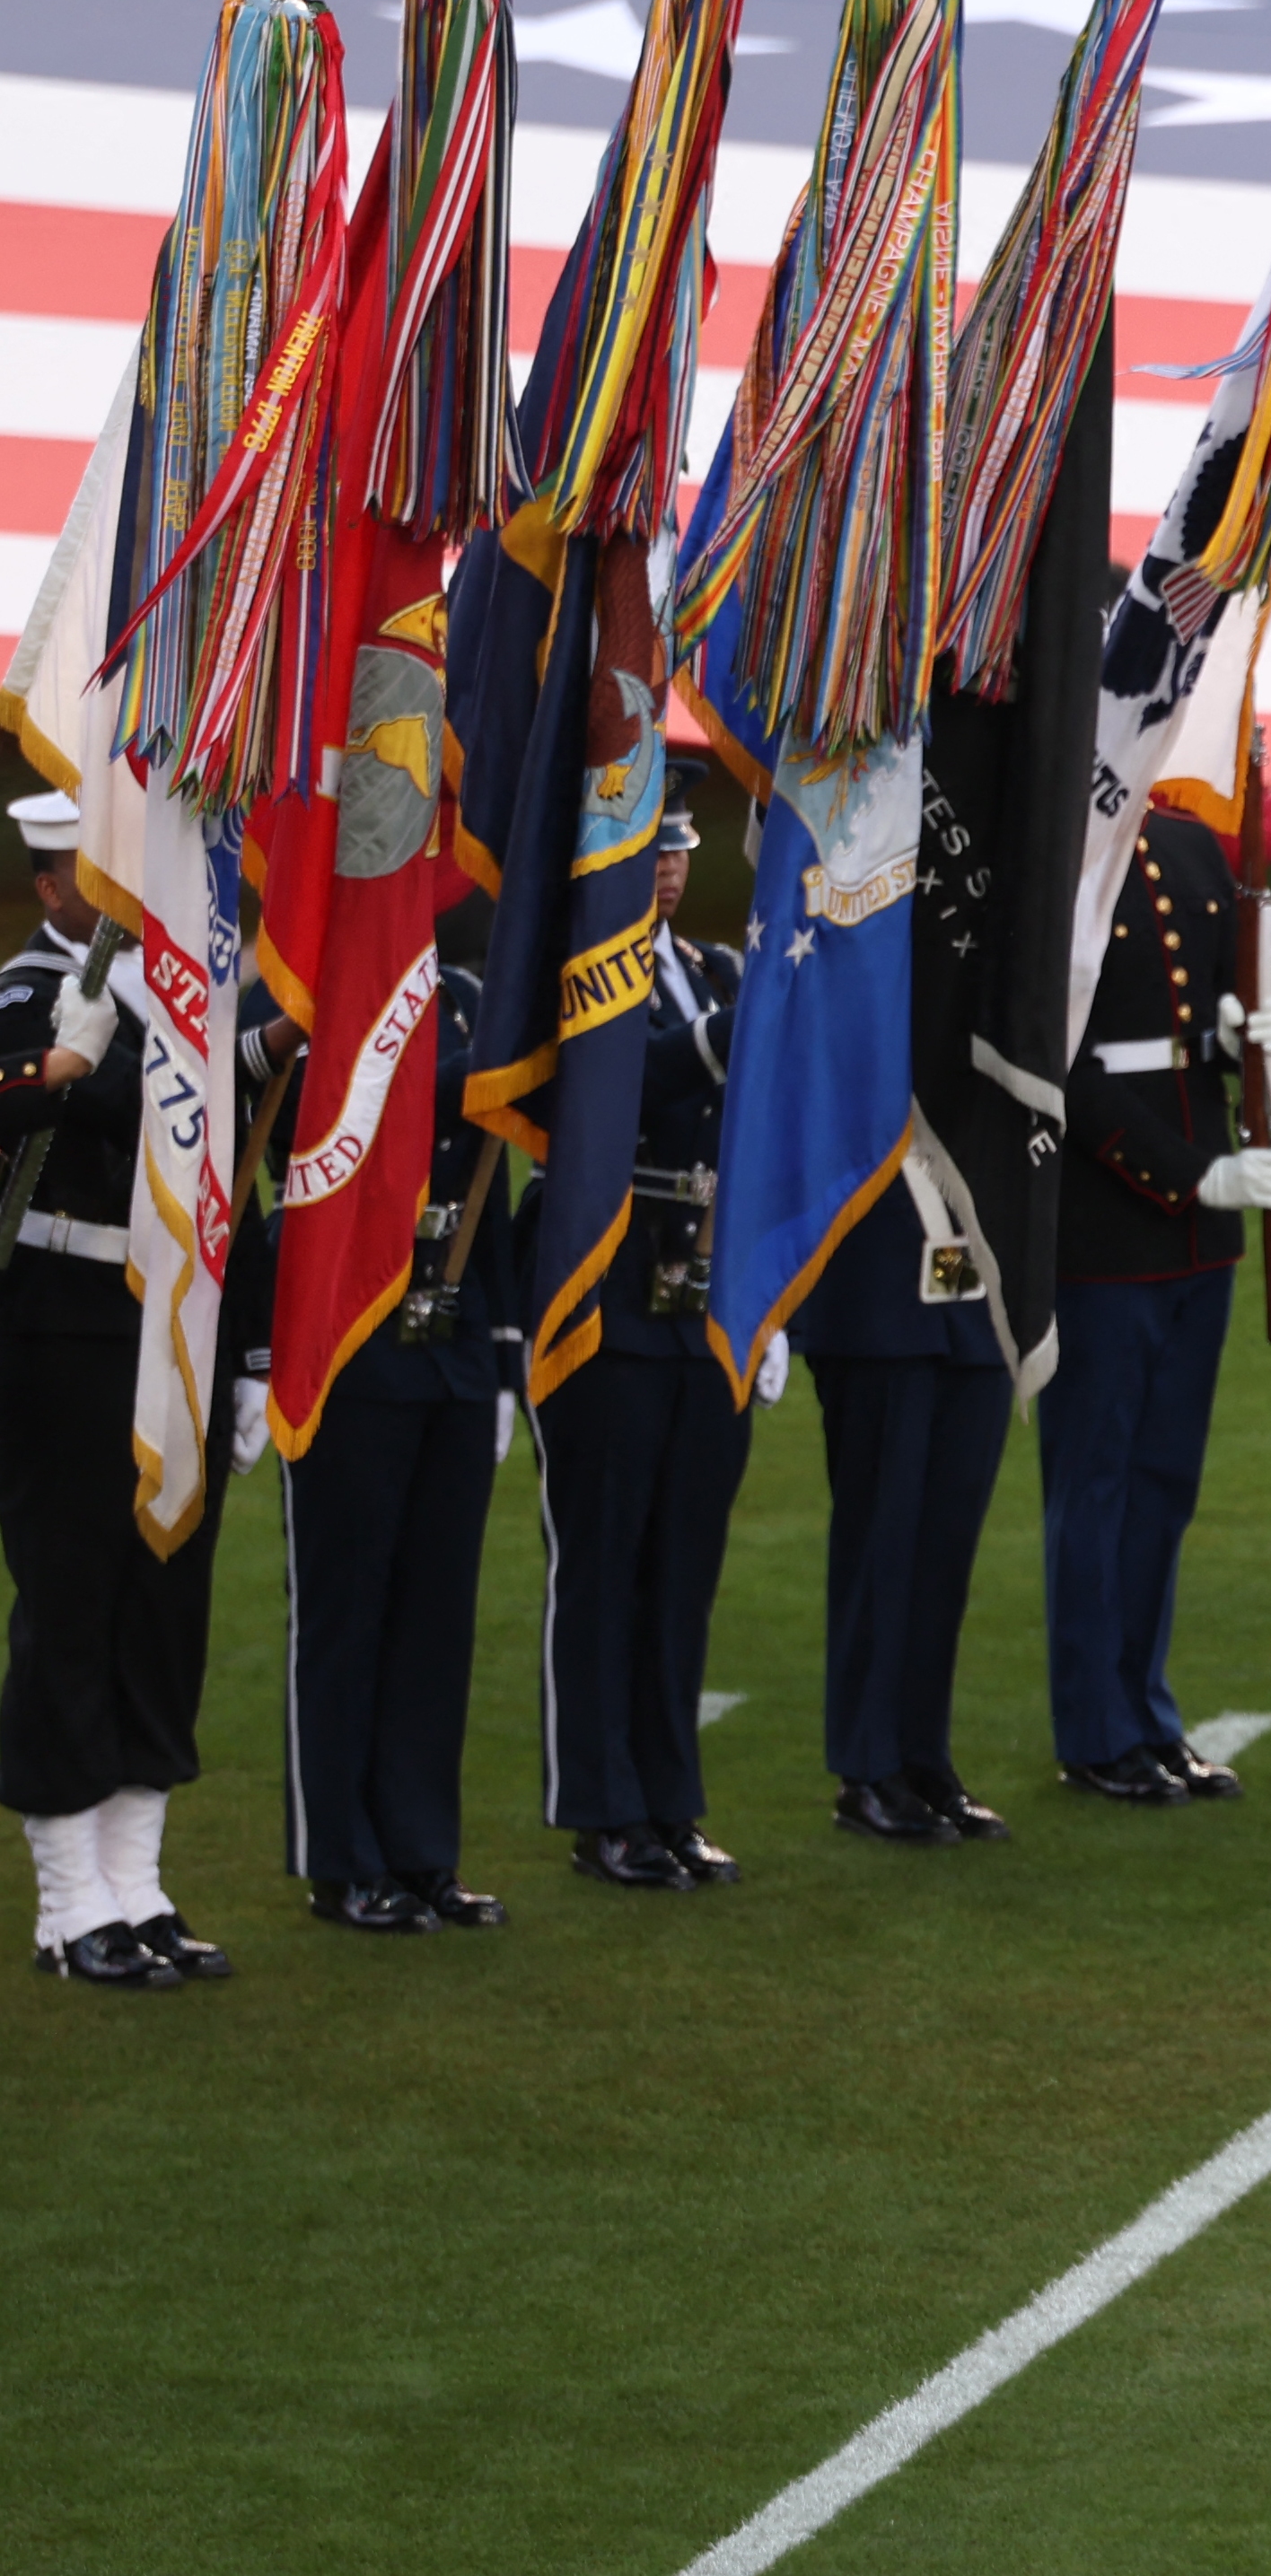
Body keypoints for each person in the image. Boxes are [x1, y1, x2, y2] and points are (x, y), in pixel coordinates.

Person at [2, 790, 236, 1989]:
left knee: (163, 1601)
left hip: (170, 1324)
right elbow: (41, 1091)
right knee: (72, 1599)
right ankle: (66, 1901)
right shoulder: (22, 986)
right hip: (60, 1328)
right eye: (89, 865)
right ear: (53, 882)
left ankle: (136, 1884)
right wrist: (87, 1064)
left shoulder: (174, 990)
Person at [1038, 791, 1271, 1807]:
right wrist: (1186, 1173)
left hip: (1200, 1228)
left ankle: (1146, 1711)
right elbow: (1058, 1061)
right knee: (1093, 1483)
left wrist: (1244, 1037)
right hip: (1110, 1219)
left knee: (1164, 1482)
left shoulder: (1192, 848)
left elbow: (1208, 1020)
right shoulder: (1056, 854)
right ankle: (1095, 1728)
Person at [527, 801, 749, 1893]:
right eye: (651, 851)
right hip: (606, 1283)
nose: (667, 870)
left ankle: (668, 1798)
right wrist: (724, 1033)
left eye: (678, 853)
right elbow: (620, 1078)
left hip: (701, 1287)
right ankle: (601, 1805)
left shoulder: (709, 967)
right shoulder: (574, 972)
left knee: (681, 1565)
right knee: (604, 1558)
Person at [278, 950, 513, 1935]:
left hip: (449, 1342)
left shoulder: (462, 998)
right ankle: (341, 1855)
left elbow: (489, 1189)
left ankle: (422, 1850)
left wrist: (498, 1351)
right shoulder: (299, 996)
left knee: (435, 1616)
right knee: (348, 1608)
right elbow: (323, 1135)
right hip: (349, 1345)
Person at [795, 1149, 1018, 1843]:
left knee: (945, 1547)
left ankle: (925, 1757)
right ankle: (867, 1767)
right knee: (881, 1540)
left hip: (973, 1286)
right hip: (877, 1285)